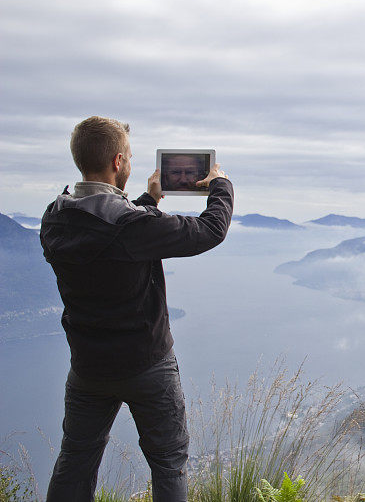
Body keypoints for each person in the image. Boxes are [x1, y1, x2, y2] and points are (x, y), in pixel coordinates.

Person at [40, 116, 234, 501]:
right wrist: (221, 186)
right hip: (147, 364)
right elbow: (209, 231)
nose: (130, 163)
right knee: (168, 462)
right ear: (117, 162)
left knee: (76, 459)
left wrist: (149, 200)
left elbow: (106, 232)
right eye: (128, 156)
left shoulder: (56, 218)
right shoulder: (131, 227)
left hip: (89, 367)